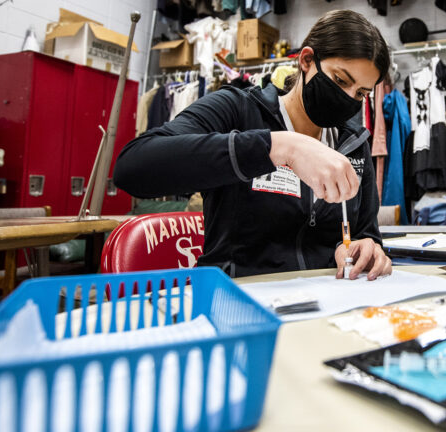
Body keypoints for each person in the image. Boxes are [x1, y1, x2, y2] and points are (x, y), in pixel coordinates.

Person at [113, 10, 393, 280]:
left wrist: (364, 248)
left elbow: (365, 234)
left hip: (323, 304)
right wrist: (280, 147)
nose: (348, 98)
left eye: (361, 93)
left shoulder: (354, 144)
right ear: (307, 60)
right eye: (340, 80)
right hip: (237, 300)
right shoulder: (236, 110)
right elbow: (133, 167)